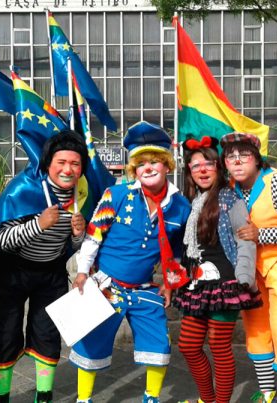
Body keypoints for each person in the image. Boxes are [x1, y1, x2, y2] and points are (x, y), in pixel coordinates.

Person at [70, 121, 192, 403]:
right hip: (106, 286)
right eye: (141, 163)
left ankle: (151, 397)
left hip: (144, 288)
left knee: (159, 343)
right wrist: (82, 272)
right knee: (91, 341)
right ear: (133, 169)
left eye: (154, 161)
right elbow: (93, 236)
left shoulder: (181, 206)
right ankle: (83, 399)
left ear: (167, 165)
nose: (148, 168)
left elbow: (175, 253)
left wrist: (170, 284)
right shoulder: (116, 194)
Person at [0, 130, 88, 403]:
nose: (67, 170)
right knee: (6, 334)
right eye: (61, 162)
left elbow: (70, 247)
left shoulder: (83, 194)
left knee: (48, 335)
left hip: (50, 274)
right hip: (10, 272)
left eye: (75, 164)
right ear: (48, 163)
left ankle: (44, 396)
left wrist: (78, 235)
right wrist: (38, 224)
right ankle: (1, 397)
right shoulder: (23, 188)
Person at [221, 132, 277, 403]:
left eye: (244, 155)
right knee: (256, 330)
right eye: (230, 157)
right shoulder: (230, 188)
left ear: (256, 158)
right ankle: (267, 393)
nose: (237, 161)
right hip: (249, 269)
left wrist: (260, 234)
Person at [175, 136, 262, 403]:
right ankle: (207, 399)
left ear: (218, 167)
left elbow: (245, 239)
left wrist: (244, 276)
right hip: (198, 283)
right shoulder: (193, 202)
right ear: (189, 172)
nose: (202, 170)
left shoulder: (230, 199)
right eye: (195, 166)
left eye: (208, 164)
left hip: (226, 283)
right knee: (188, 345)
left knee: (219, 346)